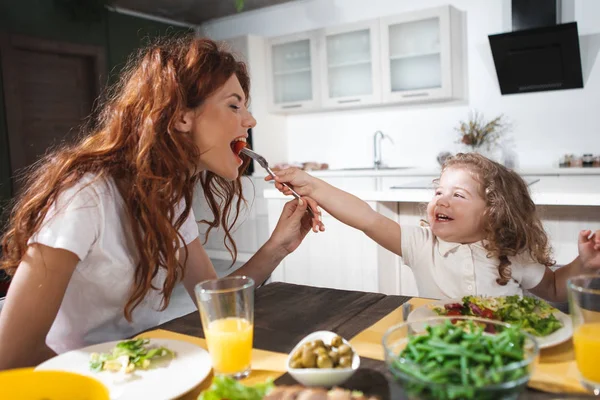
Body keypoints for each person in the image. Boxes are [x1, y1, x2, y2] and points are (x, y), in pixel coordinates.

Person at [0, 35, 323, 369]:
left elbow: (213, 298)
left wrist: (277, 247)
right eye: (234, 105)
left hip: (141, 368)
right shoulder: (86, 196)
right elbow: (12, 355)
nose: (250, 120)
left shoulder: (166, 195)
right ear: (182, 116)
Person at [268, 152, 600, 300]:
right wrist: (310, 183)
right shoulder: (422, 244)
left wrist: (583, 264)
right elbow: (367, 219)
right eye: (438, 191)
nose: (441, 200)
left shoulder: (513, 254)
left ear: (494, 212)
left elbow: (556, 289)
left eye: (458, 195)